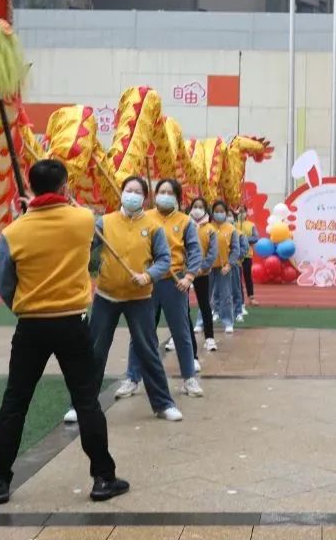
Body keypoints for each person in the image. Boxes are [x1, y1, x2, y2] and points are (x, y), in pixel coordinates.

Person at [0, 159, 129, 505]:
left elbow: (5, 284)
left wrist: (24, 307)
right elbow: (87, 227)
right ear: (65, 187)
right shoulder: (83, 221)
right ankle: (103, 477)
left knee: (15, 402)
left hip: (30, 325)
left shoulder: (14, 232)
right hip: (71, 323)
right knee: (86, 401)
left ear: (30, 188)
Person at [63, 175, 182, 424]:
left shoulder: (153, 226)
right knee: (95, 351)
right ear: (122, 192)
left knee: (147, 350)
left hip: (140, 298)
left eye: (138, 192)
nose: (132, 195)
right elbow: (84, 245)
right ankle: (81, 405)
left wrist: (148, 276)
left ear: (145, 199)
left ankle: (163, 404)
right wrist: (79, 222)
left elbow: (164, 260)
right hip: (106, 296)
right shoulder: (105, 222)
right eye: (129, 190)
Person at [116, 179, 203, 400]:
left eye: (169, 192)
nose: (165, 195)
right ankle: (132, 378)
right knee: (141, 332)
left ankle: (189, 378)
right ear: (154, 195)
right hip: (147, 281)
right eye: (161, 191)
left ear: (177, 197)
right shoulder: (144, 217)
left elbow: (195, 251)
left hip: (174, 282)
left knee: (181, 332)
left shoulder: (185, 221)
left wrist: (189, 277)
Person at [188, 198, 219, 353]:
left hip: (202, 272)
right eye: (195, 206)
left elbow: (213, 252)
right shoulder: (185, 225)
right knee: (181, 306)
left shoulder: (210, 229)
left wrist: (202, 267)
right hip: (185, 272)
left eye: (201, 207)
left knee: (204, 304)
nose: (197, 209)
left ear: (206, 210)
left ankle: (209, 338)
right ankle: (178, 337)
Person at [209, 200, 241, 334]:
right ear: (212, 212)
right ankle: (201, 322)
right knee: (205, 296)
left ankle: (228, 322)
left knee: (226, 295)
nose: (219, 214)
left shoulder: (231, 229)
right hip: (208, 268)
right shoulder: (207, 227)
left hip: (224, 268)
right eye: (216, 211)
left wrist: (229, 264)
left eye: (222, 211)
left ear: (226, 213)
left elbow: (236, 249)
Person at [236, 206, 259, 308]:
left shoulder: (251, 225)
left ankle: (251, 297)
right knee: (237, 277)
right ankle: (238, 299)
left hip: (247, 254)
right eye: (239, 211)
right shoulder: (233, 223)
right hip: (235, 255)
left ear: (246, 212)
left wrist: (244, 239)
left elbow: (255, 237)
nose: (241, 213)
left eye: (243, 211)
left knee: (247, 276)